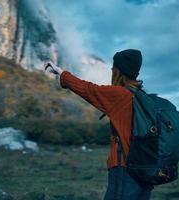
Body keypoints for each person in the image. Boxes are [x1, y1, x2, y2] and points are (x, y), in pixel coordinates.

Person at [44, 49, 153, 200]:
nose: (111, 70)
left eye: (114, 67)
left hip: (125, 169)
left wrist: (61, 73)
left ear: (119, 71)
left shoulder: (121, 94)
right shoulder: (142, 96)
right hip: (145, 171)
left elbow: (88, 89)